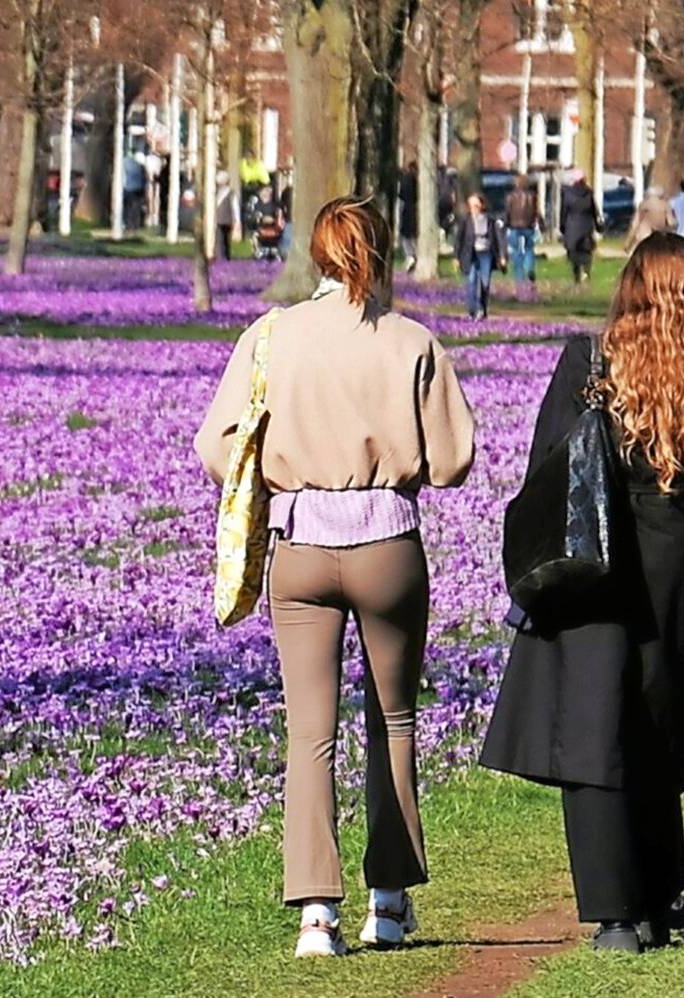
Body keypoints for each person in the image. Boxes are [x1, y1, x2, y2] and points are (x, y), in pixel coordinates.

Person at [195, 196, 475, 959]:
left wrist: (280, 479)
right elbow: (452, 461)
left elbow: (216, 445)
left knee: (309, 732)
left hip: (302, 546)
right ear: (380, 253)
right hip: (388, 543)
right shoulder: (413, 341)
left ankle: (315, 913)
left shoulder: (270, 337)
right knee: (393, 720)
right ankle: (388, 902)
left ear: (314, 253)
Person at [482, 232, 684, 953]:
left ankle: (616, 916)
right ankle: (666, 893)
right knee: (662, 732)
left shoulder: (589, 364)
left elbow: (548, 468)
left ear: (627, 289)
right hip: (675, 571)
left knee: (596, 733)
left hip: (596, 570)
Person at [453, 194, 507, 320]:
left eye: (476, 205)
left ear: (482, 205)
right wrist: (456, 257)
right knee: (471, 280)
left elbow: (498, 238)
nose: (474, 209)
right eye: (472, 206)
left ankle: (483, 308)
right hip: (470, 254)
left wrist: (502, 256)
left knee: (485, 282)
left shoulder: (490, 220)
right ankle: (472, 310)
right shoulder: (465, 221)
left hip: (486, 253)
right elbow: (459, 240)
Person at [562, 169, 601, 285]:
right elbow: (594, 211)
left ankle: (576, 276)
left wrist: (562, 226)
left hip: (572, 226)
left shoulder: (568, 194)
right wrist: (598, 225)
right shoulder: (589, 193)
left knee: (574, 253)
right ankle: (586, 272)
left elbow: (564, 211)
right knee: (586, 252)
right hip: (586, 226)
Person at [506, 173, 542, 285]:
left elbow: (508, 211)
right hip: (528, 226)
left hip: (514, 226)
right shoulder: (533, 196)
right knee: (529, 249)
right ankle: (530, 269)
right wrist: (539, 223)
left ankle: (519, 277)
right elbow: (537, 212)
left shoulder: (511, 196)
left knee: (516, 251)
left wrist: (506, 223)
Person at [628, 188, 677, 254]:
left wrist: (628, 242)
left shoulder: (644, 204)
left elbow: (635, 223)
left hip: (644, 234)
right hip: (660, 236)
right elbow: (671, 223)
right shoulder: (666, 205)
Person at [396, 162, 420, 271]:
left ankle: (410, 256)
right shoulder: (416, 181)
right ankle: (413, 255)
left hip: (406, 209)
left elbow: (401, 194)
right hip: (414, 209)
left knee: (406, 236)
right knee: (412, 236)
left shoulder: (405, 179)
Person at [214, 170, 237, 261]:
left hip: (226, 219)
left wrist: (236, 219)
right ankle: (222, 256)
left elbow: (235, 206)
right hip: (220, 219)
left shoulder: (230, 192)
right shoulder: (216, 192)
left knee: (225, 239)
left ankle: (225, 256)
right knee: (220, 238)